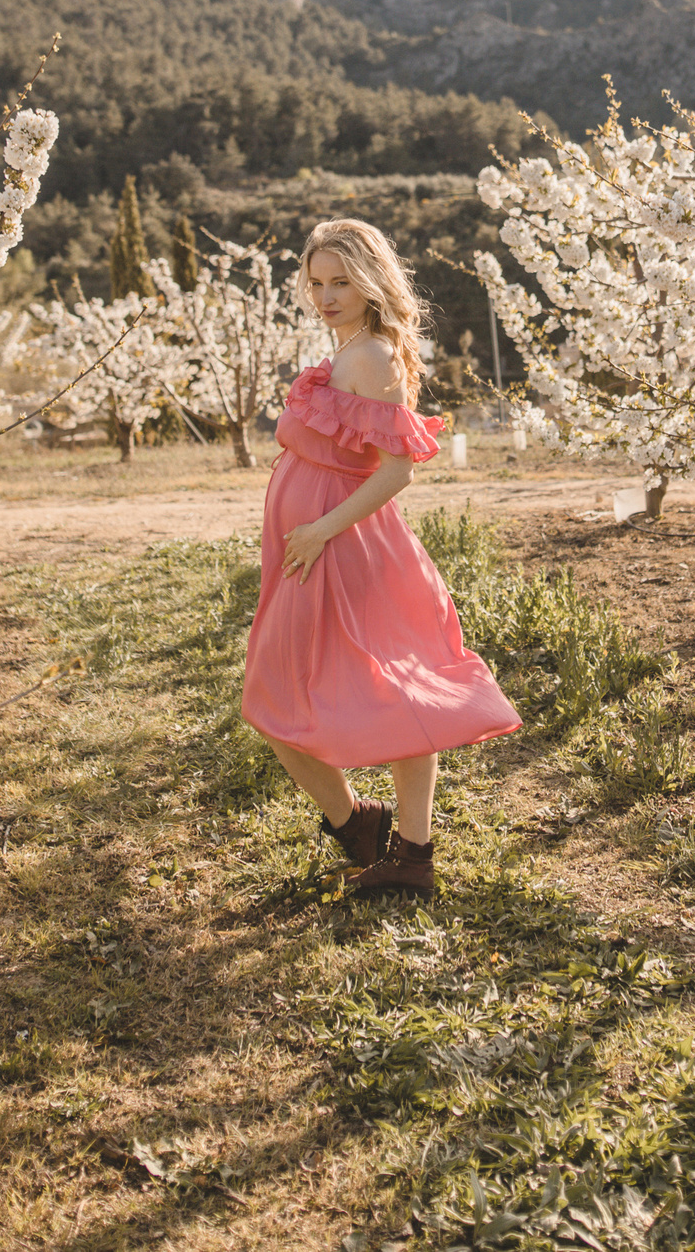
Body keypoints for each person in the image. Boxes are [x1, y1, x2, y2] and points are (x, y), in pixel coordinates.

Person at [240, 218, 520, 895]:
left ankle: (394, 844)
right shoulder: (350, 350)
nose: (327, 295)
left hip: (340, 546)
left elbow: (397, 471)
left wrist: (317, 531)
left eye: (341, 281)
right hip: (318, 545)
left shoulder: (368, 355)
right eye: (317, 282)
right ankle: (372, 833)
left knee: (324, 693)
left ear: (371, 281)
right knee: (323, 691)